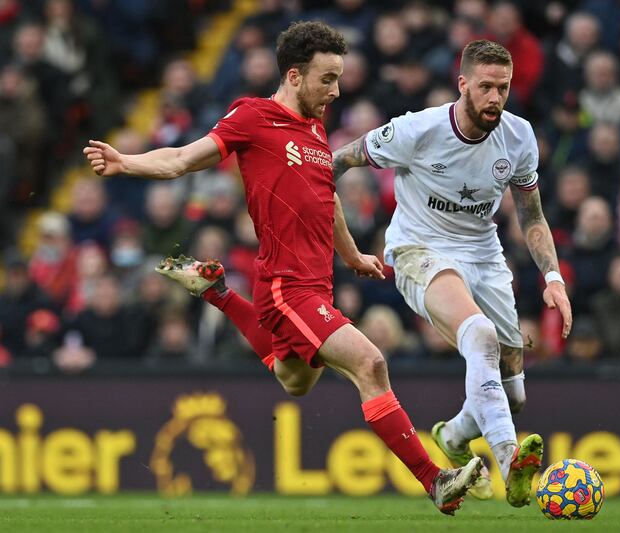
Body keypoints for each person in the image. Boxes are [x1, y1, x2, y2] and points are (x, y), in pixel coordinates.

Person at [83, 21, 480, 515]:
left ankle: (219, 293)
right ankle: (434, 480)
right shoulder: (252, 117)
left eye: (338, 80)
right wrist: (127, 162)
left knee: (295, 382)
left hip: (318, 284)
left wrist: (352, 255)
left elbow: (324, 196)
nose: (335, 91)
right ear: (294, 75)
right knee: (371, 364)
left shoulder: (315, 129)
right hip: (286, 287)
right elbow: (182, 159)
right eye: (326, 79)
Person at [329, 39, 572, 507]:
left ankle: (455, 437)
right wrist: (317, 222)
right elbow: (340, 159)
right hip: (419, 250)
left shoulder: (518, 137)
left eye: (503, 88)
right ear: (462, 84)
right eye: (485, 87)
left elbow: (532, 215)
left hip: (484, 255)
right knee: (479, 335)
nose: (495, 98)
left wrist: (554, 280)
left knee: (513, 393)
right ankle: (511, 463)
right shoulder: (416, 130)